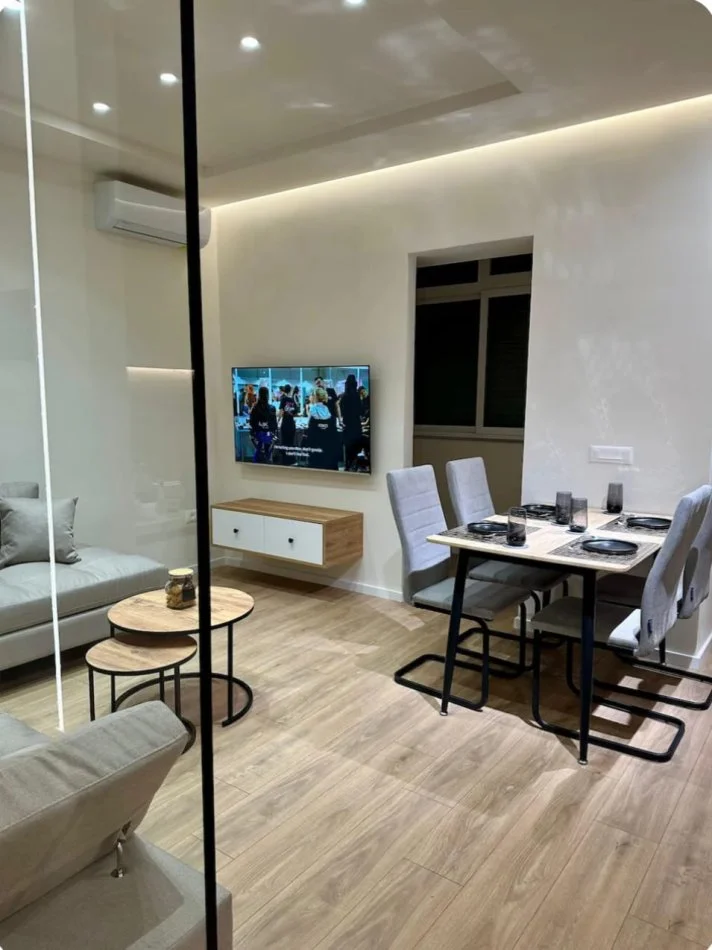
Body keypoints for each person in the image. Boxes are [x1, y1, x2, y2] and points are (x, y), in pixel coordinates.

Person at [306, 388, 340, 470]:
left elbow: (309, 424)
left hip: (316, 443)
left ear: (315, 397)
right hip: (327, 443)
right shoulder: (326, 408)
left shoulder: (313, 408)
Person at [339, 374, 363, 472]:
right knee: (355, 448)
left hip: (347, 424)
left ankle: (347, 466)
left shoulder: (344, 397)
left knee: (348, 447)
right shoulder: (357, 396)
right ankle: (354, 466)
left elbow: (342, 411)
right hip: (356, 424)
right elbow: (361, 411)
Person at [249, 386, 277, 463]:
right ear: (267, 395)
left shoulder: (255, 408)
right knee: (267, 456)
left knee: (258, 455)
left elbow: (252, 423)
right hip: (268, 436)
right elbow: (274, 426)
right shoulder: (272, 408)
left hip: (258, 436)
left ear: (259, 395)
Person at [278, 384, 297, 465]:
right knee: (291, 442)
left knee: (284, 442)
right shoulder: (292, 400)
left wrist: (278, 421)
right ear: (290, 390)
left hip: (285, 423)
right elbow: (295, 413)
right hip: (292, 424)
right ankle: (291, 460)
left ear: (284, 390)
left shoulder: (283, 399)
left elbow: (281, 412)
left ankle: (285, 461)